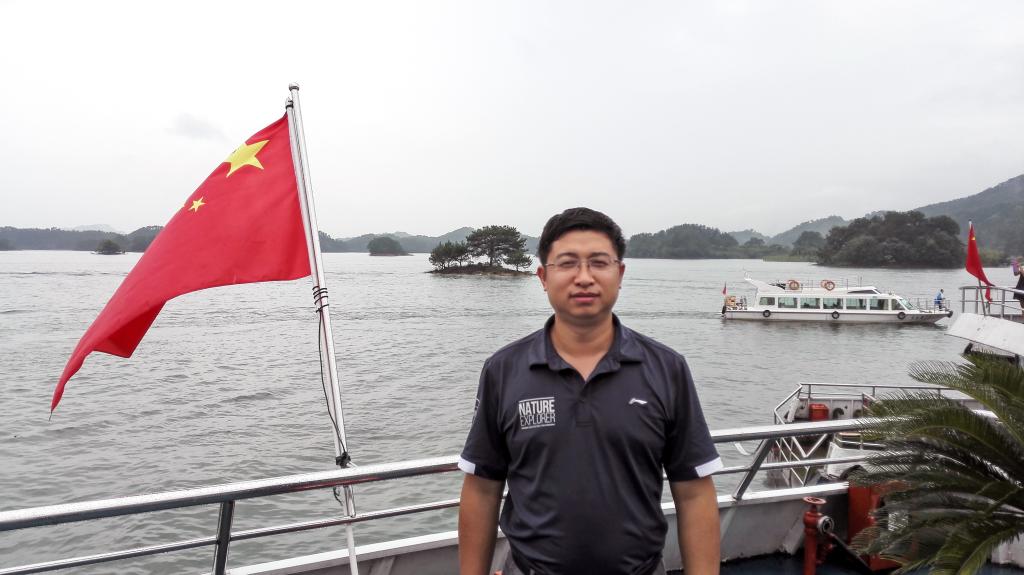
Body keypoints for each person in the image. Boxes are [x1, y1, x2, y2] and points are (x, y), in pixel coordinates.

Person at [458, 207, 722, 575]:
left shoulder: (666, 368)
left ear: (620, 273)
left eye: (599, 263)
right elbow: (482, 487)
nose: (584, 278)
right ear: (543, 277)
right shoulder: (503, 370)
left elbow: (694, 492)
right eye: (567, 263)